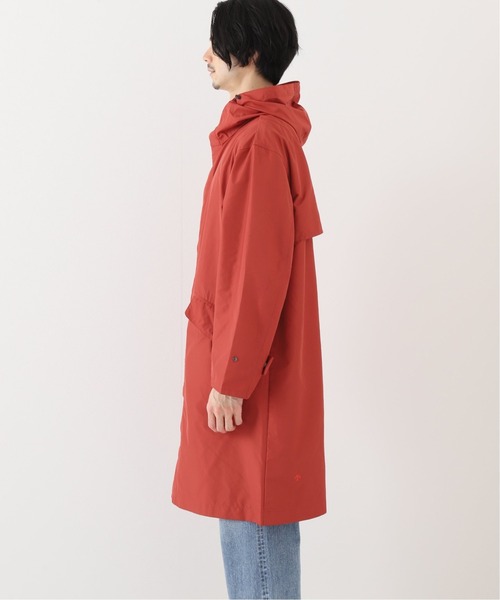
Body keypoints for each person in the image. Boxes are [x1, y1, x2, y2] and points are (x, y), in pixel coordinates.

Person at [171, 0, 326, 597]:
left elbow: (254, 271)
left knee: (253, 516)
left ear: (250, 51)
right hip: (247, 365)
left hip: (249, 375)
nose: (205, 55)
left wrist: (232, 378)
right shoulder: (255, 134)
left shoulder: (258, 141)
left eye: (217, 42)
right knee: (249, 516)